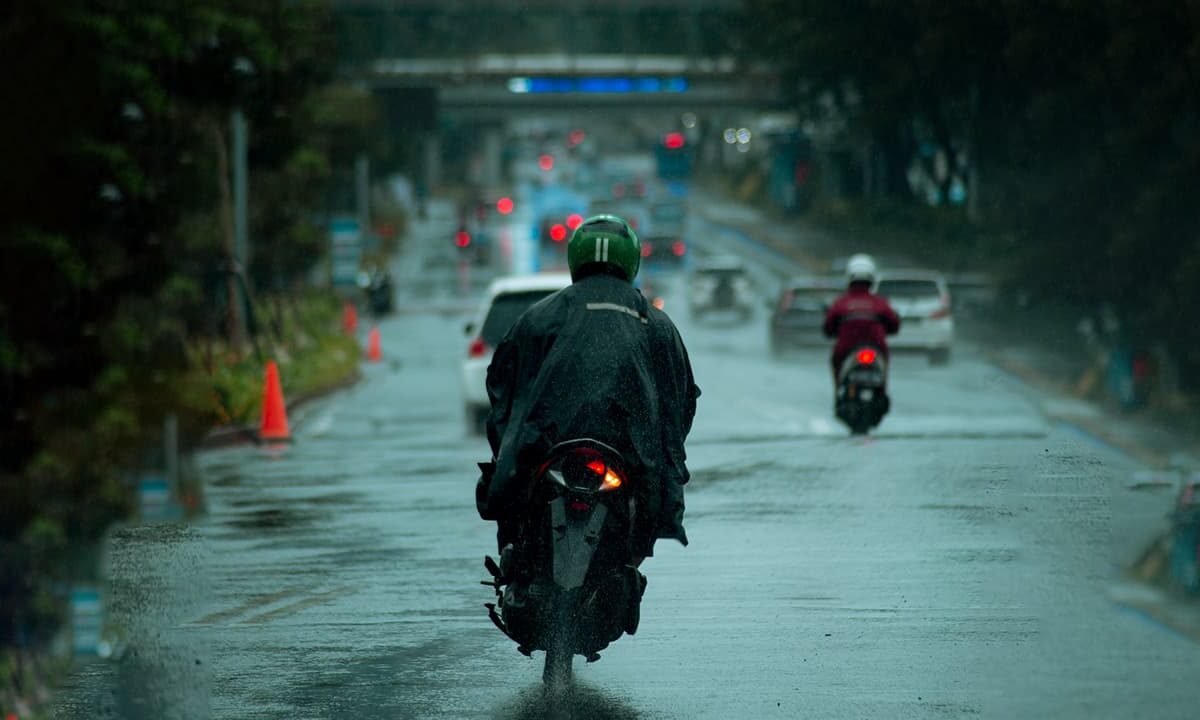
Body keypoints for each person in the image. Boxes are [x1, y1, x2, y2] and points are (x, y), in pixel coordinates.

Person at [476, 214, 700, 563]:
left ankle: (515, 554)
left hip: (548, 450)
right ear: (632, 259)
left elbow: (502, 388)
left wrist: (511, 445)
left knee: (512, 502)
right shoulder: (656, 324)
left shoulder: (540, 316)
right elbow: (681, 401)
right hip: (626, 457)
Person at [822, 254, 900, 386]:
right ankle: (883, 387)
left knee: (836, 361)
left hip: (846, 346)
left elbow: (828, 326)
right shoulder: (880, 302)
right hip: (877, 346)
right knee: (884, 360)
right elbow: (894, 324)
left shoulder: (841, 302)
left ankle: (839, 390)